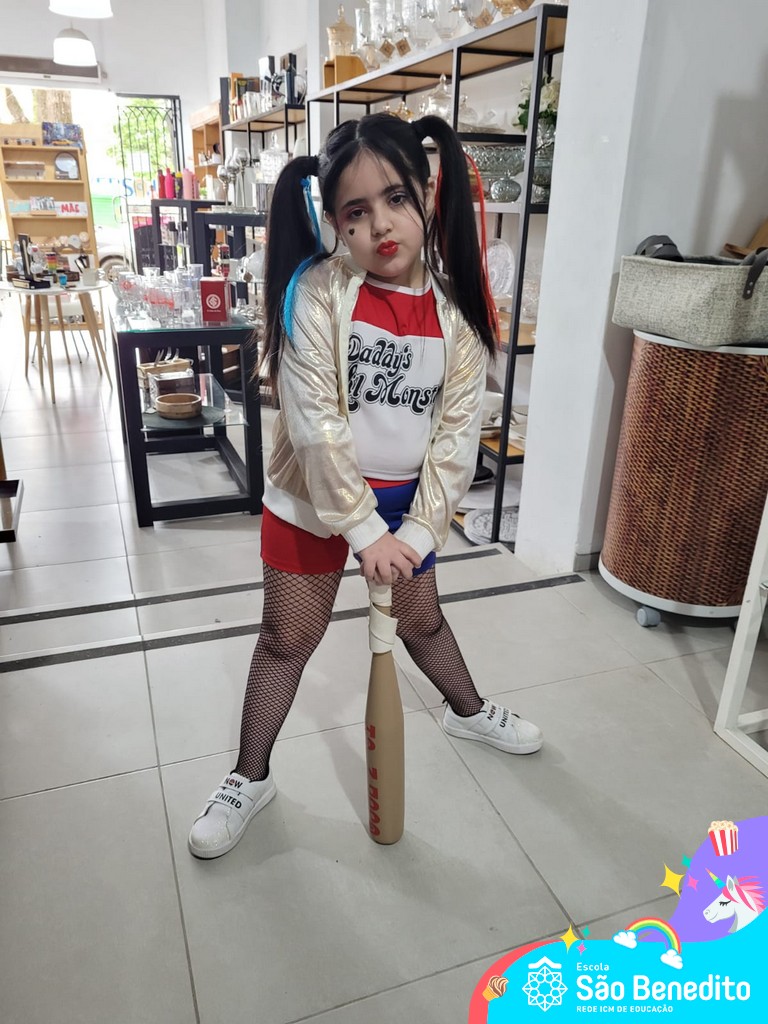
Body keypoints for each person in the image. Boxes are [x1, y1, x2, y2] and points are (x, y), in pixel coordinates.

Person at [188, 113, 543, 859]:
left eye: (396, 198)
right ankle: (249, 778)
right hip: (312, 498)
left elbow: (455, 441)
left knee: (422, 622)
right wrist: (362, 531)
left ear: (426, 194)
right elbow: (315, 427)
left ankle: (468, 711)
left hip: (407, 505)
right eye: (356, 211)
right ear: (333, 221)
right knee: (286, 639)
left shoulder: (456, 314)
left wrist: (416, 531)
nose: (380, 224)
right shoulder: (314, 293)